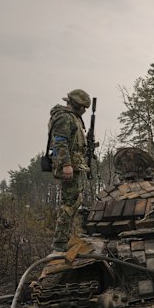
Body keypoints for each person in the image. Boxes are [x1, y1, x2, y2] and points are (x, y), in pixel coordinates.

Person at [48, 89, 91, 252]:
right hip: (69, 166)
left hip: (74, 165)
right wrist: (66, 164)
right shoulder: (64, 117)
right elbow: (60, 141)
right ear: (76, 105)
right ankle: (60, 243)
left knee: (74, 201)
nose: (84, 111)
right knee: (69, 203)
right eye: (83, 107)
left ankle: (64, 238)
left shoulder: (72, 117)